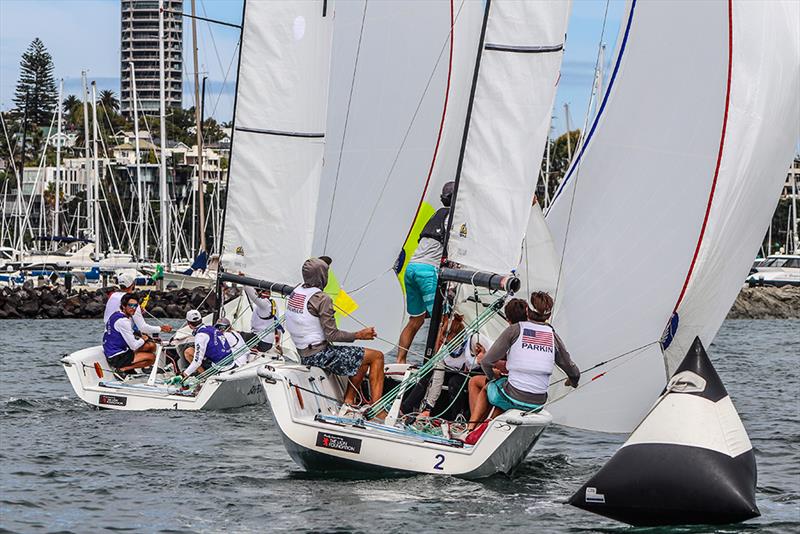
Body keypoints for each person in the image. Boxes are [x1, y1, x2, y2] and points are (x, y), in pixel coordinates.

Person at [467, 292, 581, 431]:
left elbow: (486, 362)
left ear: (527, 311)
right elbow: (572, 369)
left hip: (514, 395)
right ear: (549, 316)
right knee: (503, 390)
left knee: (487, 389)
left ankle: (471, 429)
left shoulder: (515, 330)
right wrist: (573, 381)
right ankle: (487, 427)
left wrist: (492, 378)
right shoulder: (553, 336)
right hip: (538, 403)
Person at [285, 257, 385, 413]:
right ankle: (377, 409)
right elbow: (332, 335)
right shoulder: (321, 299)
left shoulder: (296, 291)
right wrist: (359, 334)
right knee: (377, 356)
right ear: (322, 276)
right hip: (320, 355)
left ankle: (349, 401)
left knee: (362, 359)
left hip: (304, 353)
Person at [396, 181, 455, 364]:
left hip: (411, 267)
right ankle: (435, 364)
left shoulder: (436, 215)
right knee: (442, 320)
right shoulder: (453, 217)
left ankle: (400, 361)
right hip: (427, 272)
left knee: (416, 320)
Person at [103, 270, 173, 335]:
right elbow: (142, 328)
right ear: (133, 284)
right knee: (150, 342)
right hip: (121, 337)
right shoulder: (131, 300)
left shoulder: (113, 296)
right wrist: (162, 328)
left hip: (108, 335)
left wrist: (136, 312)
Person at [102, 294, 157, 372]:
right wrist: (143, 339)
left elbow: (127, 332)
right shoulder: (124, 321)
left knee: (151, 346)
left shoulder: (117, 314)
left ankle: (132, 365)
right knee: (152, 358)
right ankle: (123, 369)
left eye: (135, 306)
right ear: (124, 306)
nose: (133, 308)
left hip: (113, 350)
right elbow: (134, 346)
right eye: (130, 305)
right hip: (116, 357)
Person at [177, 309, 233, 380]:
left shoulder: (200, 336)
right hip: (231, 363)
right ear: (201, 320)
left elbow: (197, 362)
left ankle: (206, 378)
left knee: (188, 352)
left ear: (189, 324)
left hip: (220, 368)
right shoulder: (211, 328)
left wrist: (183, 375)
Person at [241, 281, 283, 353]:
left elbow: (252, 295)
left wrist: (243, 281)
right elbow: (277, 325)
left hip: (260, 341)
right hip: (267, 343)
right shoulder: (273, 304)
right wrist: (277, 343)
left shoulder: (264, 304)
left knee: (236, 335)